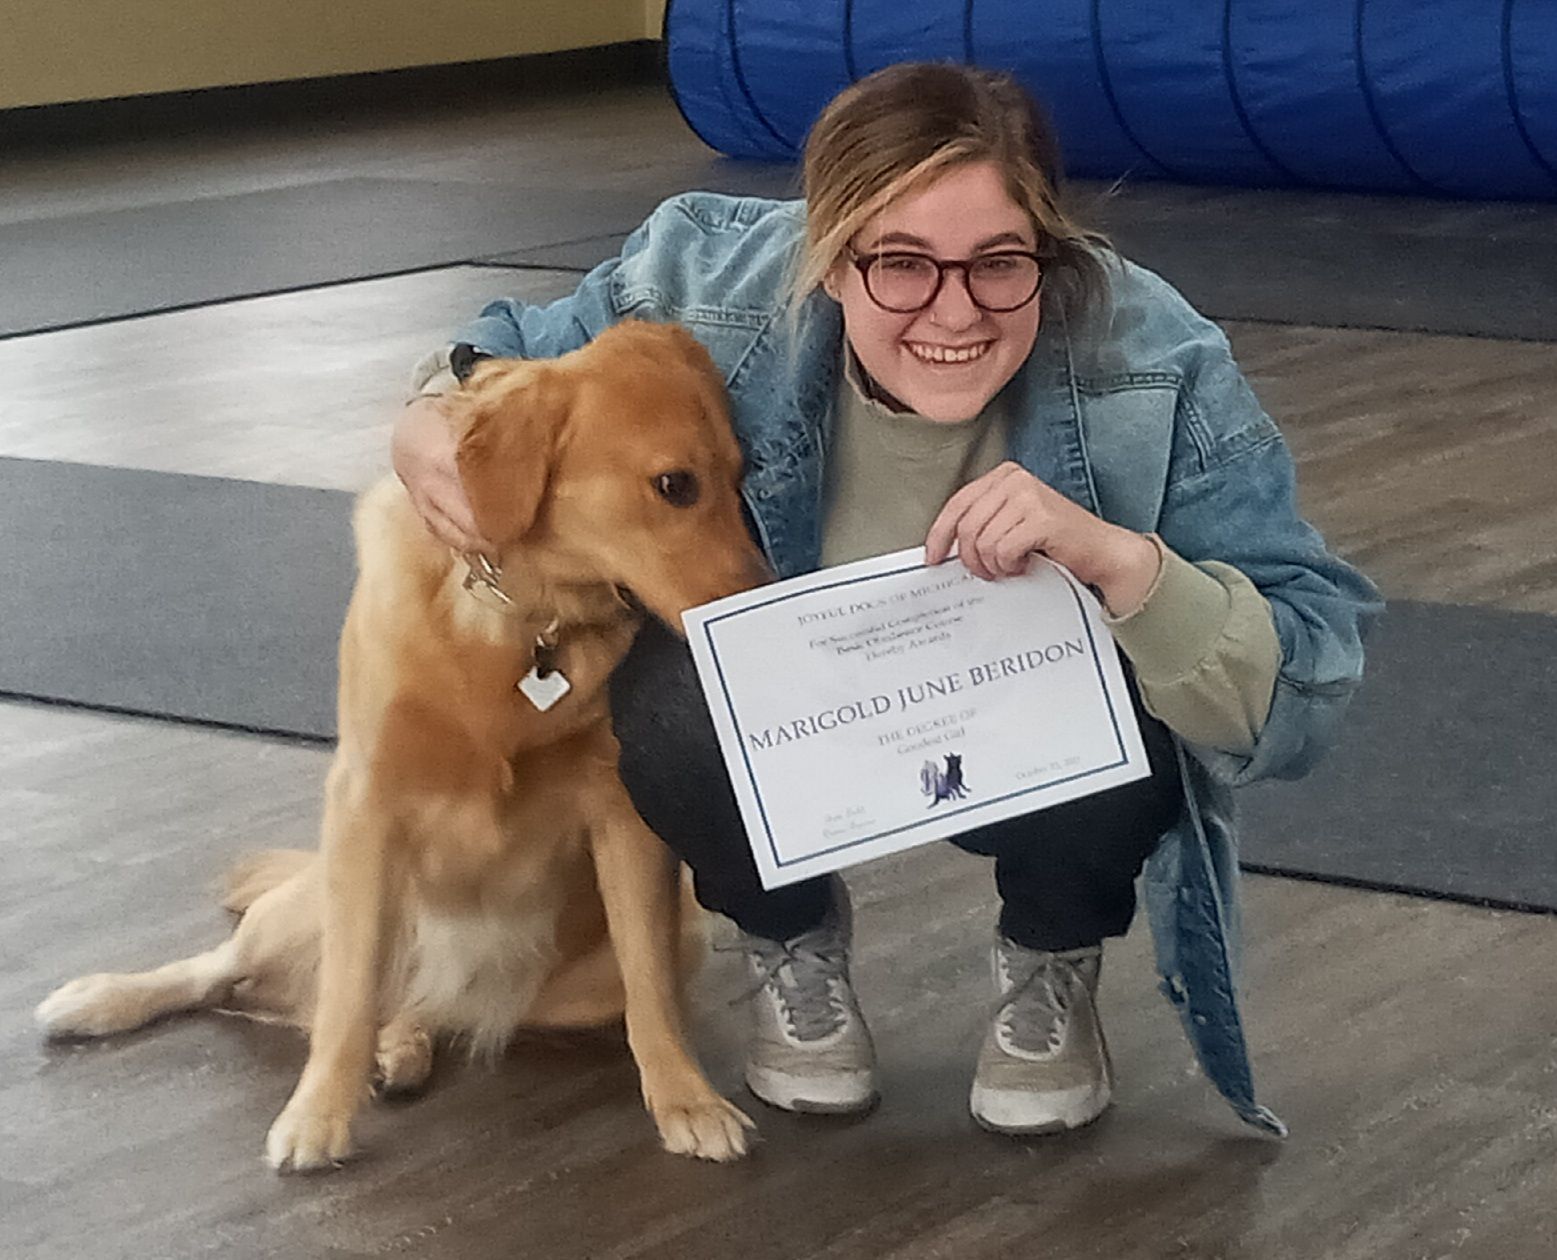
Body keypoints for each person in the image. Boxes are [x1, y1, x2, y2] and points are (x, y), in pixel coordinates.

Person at [392, 62, 1380, 1137]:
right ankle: (789, 939)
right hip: (798, 714)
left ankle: (1052, 952)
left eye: (1000, 263)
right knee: (665, 695)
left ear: (1052, 248)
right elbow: (504, 351)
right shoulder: (702, 274)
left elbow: (1303, 695)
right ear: (825, 258)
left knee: (1132, 653)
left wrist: (1123, 563)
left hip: (1024, 730)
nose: (952, 311)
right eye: (900, 264)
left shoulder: (1157, 356)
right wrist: (428, 418)